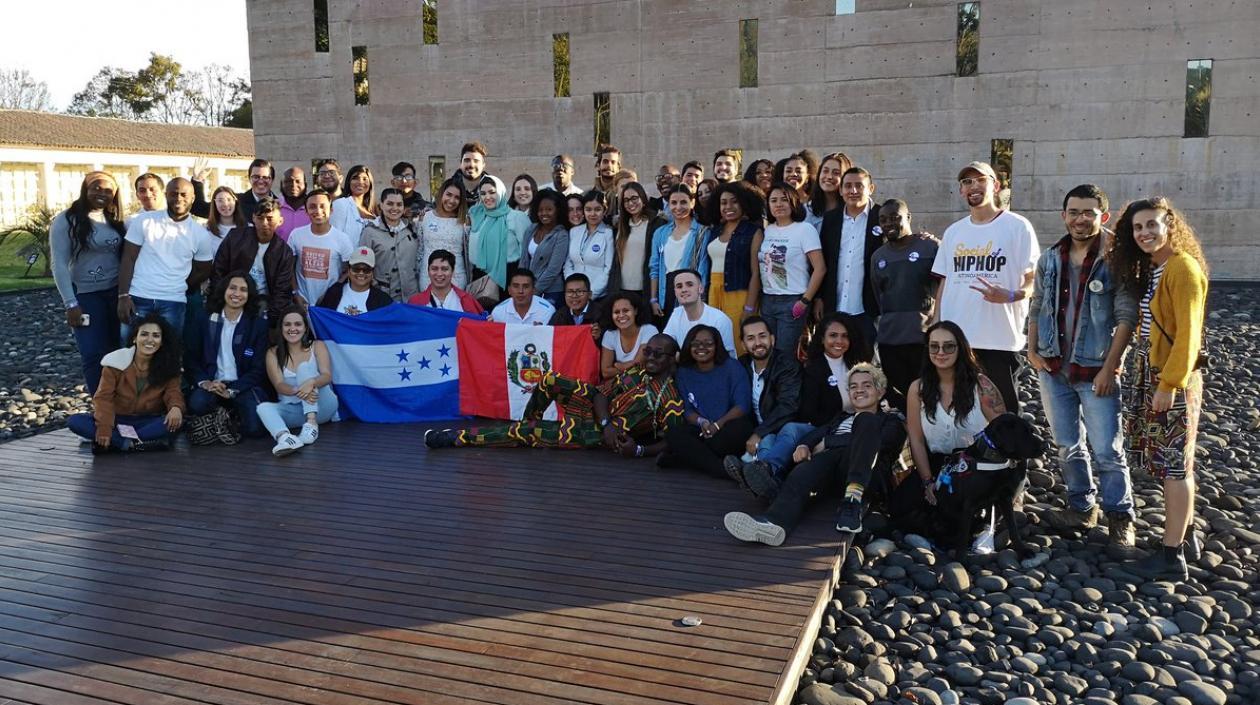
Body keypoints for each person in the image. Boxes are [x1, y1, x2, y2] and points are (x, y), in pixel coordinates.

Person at [1028, 185, 1137, 548]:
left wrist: (1112, 365)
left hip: (1095, 369)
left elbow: (1126, 315)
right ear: (1064, 216)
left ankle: (1120, 517)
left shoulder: (1116, 258)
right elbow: (1037, 304)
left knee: (1107, 448)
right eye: (1073, 212)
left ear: (1103, 216)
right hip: (1053, 366)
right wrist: (1032, 350)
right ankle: (1081, 506)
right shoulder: (1050, 258)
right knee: (1067, 445)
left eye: (1088, 212)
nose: (1080, 219)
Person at [1110, 197, 1209, 580]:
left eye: (1152, 224)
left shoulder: (1182, 268)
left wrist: (1169, 384)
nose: (1144, 233)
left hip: (1172, 378)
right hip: (1156, 373)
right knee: (1174, 462)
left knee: (1173, 467)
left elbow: (1189, 334)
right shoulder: (1157, 267)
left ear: (1170, 225)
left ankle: (1171, 557)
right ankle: (1184, 538)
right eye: (1137, 227)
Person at [724, 363, 907, 545]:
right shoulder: (841, 417)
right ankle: (773, 523)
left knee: (864, 421)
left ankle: (852, 499)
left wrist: (828, 442)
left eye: (866, 385)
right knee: (807, 468)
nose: (859, 390)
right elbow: (817, 434)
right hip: (831, 470)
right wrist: (804, 445)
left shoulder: (891, 420)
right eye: (853, 386)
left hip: (866, 476)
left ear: (880, 392)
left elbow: (884, 443)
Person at [424, 334, 683, 455]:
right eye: (648, 351)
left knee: (526, 433)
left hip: (592, 435)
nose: (649, 357)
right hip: (598, 414)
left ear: (672, 358)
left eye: (657, 354)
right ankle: (525, 427)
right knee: (548, 380)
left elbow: (674, 441)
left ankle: (455, 438)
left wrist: (638, 450)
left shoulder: (670, 400)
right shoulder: (639, 371)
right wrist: (606, 423)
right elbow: (602, 394)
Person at [931, 161, 1039, 413]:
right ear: (961, 191)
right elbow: (945, 281)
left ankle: (1011, 452)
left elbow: (1034, 279)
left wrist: (1013, 295)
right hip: (956, 339)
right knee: (960, 407)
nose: (973, 186)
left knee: (1003, 411)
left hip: (997, 339)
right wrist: (936, 326)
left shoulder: (1017, 226)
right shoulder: (954, 232)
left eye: (981, 180)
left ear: (996, 185)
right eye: (967, 182)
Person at [906, 321, 1009, 520]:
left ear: (960, 348)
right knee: (904, 508)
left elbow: (1004, 435)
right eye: (934, 346)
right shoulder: (917, 389)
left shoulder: (981, 385)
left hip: (978, 466)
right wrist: (928, 482)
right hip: (939, 465)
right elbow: (916, 440)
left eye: (949, 346)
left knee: (966, 515)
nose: (941, 352)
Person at [51, 171, 126, 393]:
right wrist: (70, 304)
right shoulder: (66, 220)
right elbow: (59, 264)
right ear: (85, 189)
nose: (101, 193)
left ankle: (121, 404)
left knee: (117, 351)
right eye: (96, 188)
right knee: (93, 353)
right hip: (85, 295)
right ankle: (100, 404)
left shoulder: (115, 219)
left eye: (108, 190)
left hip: (115, 294)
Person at [67, 312, 184, 453]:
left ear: (162, 341)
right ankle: (131, 444)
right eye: (144, 334)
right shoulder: (115, 362)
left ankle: (118, 443)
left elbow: (173, 392)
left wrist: (176, 407)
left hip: (147, 421)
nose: (149, 340)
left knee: (175, 422)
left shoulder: (169, 365)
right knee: (75, 421)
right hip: (117, 420)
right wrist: (104, 428)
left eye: (156, 336)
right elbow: (104, 398)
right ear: (135, 338)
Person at [117, 177, 214, 340]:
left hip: (173, 301)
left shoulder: (200, 234)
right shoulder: (144, 221)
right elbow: (128, 258)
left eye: (184, 194)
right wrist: (123, 296)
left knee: (169, 352)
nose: (179, 198)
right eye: (174, 194)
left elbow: (203, 269)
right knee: (128, 351)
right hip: (138, 297)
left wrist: (179, 283)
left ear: (192, 198)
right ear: (166, 195)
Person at [658, 325, 753, 478]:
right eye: (695, 344)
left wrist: (717, 425)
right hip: (703, 429)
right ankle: (722, 470)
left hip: (728, 426)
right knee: (674, 434)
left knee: (739, 431)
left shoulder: (732, 366)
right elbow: (688, 410)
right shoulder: (684, 371)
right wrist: (703, 423)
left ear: (717, 346)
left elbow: (742, 406)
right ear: (689, 346)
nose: (701, 347)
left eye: (708, 343)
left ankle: (686, 458)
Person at [721, 317, 802, 493]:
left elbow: (788, 406)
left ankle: (754, 473)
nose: (758, 343)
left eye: (762, 336)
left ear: (772, 339)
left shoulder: (787, 365)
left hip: (782, 428)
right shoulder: (740, 366)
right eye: (750, 338)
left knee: (770, 440)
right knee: (758, 440)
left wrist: (759, 433)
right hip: (757, 431)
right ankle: (759, 478)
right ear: (742, 344)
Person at [870, 198, 939, 404]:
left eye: (894, 217)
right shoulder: (878, 256)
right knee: (900, 396)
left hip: (923, 337)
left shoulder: (930, 247)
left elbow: (947, 287)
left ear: (908, 217)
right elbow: (878, 296)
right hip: (890, 339)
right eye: (883, 220)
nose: (888, 223)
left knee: (928, 392)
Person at [187, 273, 271, 438]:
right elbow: (190, 358)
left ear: (249, 295)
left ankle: (229, 414)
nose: (237, 294)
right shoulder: (204, 318)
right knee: (197, 404)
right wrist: (205, 383)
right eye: (232, 288)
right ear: (224, 290)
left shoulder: (258, 325)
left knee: (255, 429)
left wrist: (233, 389)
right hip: (212, 384)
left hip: (241, 386)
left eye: (243, 290)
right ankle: (225, 414)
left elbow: (258, 369)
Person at [256, 307, 338, 456]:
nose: (292, 328)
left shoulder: (317, 346)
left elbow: (327, 376)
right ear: (281, 328)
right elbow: (279, 385)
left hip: (323, 406)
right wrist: (300, 390)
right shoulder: (273, 353)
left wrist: (311, 383)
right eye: (287, 324)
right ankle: (286, 439)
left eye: (298, 324)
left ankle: (311, 423)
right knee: (263, 408)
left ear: (305, 328)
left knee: (304, 368)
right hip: (295, 409)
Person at [758, 182, 825, 356]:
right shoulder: (768, 230)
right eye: (773, 200)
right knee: (768, 353)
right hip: (767, 300)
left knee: (786, 355)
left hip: (793, 300)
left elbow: (820, 268)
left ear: (793, 202)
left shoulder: (804, 229)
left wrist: (805, 300)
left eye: (784, 200)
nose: (778, 204)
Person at [818, 166, 881, 343]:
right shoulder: (831, 219)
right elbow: (824, 260)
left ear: (871, 189)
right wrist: (819, 298)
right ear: (840, 189)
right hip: (834, 307)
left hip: (869, 309)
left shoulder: (882, 217)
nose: (853, 191)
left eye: (859, 186)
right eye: (847, 186)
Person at [211, 195, 296, 322]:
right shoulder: (235, 238)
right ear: (253, 218)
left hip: (263, 302)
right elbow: (218, 271)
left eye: (270, 219)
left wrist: (272, 322)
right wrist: (219, 303)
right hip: (232, 295)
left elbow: (282, 292)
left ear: (280, 221)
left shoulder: (284, 252)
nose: (264, 223)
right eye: (260, 218)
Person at [704, 180, 764, 353]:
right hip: (713, 292)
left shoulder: (753, 231)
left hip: (739, 294)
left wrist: (749, 308)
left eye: (734, 201)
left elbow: (755, 274)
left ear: (744, 203)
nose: (728, 206)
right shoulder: (715, 230)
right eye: (723, 202)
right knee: (716, 342)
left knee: (738, 344)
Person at [288, 189, 356, 309]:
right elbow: (289, 268)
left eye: (322, 206)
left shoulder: (342, 239)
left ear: (331, 209)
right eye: (312, 207)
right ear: (306, 211)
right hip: (302, 302)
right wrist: (296, 293)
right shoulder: (296, 235)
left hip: (330, 304)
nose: (318, 211)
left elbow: (349, 271)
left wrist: (331, 293)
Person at [648, 184, 708, 317]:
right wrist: (653, 299)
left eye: (683, 202)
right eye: (673, 203)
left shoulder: (702, 232)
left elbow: (702, 269)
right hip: (667, 293)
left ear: (692, 203)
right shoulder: (660, 233)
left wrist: (700, 298)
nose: (678, 207)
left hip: (690, 292)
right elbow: (654, 268)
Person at [468, 175, 529, 303]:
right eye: (483, 193)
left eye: (492, 192)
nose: (487, 197)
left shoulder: (517, 217)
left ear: (501, 192)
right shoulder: (477, 216)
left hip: (508, 275)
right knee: (483, 317)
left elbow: (526, 251)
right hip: (481, 275)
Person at [359, 187, 420, 302]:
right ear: (381, 205)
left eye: (399, 204)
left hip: (412, 296)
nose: (395, 208)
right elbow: (363, 265)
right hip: (382, 297)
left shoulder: (412, 229)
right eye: (390, 204)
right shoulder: (370, 232)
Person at [610, 182, 667, 301]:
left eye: (634, 198)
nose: (630, 203)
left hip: (645, 289)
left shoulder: (656, 223)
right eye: (626, 200)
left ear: (643, 198)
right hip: (621, 289)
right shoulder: (621, 225)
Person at [662, 269, 736, 357]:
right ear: (675, 292)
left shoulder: (719, 320)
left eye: (689, 285)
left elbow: (726, 357)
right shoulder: (677, 314)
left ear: (700, 289)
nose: (684, 289)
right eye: (679, 286)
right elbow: (664, 343)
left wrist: (680, 357)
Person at [518, 189, 570, 306]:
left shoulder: (561, 235)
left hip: (551, 292)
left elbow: (553, 269)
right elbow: (523, 261)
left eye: (549, 209)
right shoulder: (531, 229)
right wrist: (521, 286)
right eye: (540, 210)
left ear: (557, 211)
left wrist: (534, 290)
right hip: (527, 290)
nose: (544, 213)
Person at [418, 178, 470, 291]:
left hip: (456, 277)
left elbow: (468, 252)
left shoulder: (465, 220)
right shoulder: (425, 217)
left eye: (457, 197)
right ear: (441, 194)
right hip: (428, 276)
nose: (451, 200)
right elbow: (420, 249)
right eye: (449, 194)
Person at [564, 190, 615, 300]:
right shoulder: (574, 231)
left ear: (604, 211)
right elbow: (568, 263)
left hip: (597, 296)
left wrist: (590, 294)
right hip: (574, 296)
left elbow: (608, 269)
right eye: (588, 209)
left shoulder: (608, 233)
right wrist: (573, 289)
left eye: (597, 209)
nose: (592, 214)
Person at [599, 292, 659, 380]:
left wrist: (616, 365)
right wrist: (626, 368)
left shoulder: (649, 330)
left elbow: (637, 366)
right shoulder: (609, 334)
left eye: (626, 310)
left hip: (647, 382)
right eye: (616, 312)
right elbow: (605, 372)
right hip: (622, 384)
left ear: (635, 311)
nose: (621, 315)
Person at [192, 158, 276, 220]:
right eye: (256, 177)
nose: (261, 181)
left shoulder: (281, 205)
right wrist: (197, 181)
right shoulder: (235, 202)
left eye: (265, 177)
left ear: (272, 180)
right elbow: (199, 209)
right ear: (249, 178)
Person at [317, 246, 392, 315]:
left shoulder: (383, 300)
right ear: (349, 270)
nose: (361, 273)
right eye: (356, 269)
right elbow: (322, 317)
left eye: (366, 270)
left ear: (372, 272)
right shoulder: (333, 292)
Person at [408, 249, 485, 314]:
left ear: (453, 271)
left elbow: (479, 327)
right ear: (428, 271)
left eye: (444, 269)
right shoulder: (415, 303)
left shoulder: (467, 301)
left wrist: (488, 321)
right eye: (434, 269)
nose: (439, 274)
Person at [490, 268, 555, 325]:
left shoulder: (548, 311)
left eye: (526, 286)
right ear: (509, 290)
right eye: (516, 286)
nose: (520, 291)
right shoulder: (498, 312)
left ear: (533, 290)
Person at [550, 273, 603, 340]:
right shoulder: (559, 315)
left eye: (579, 291)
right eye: (570, 292)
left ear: (590, 294)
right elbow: (550, 338)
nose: (574, 296)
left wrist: (599, 336)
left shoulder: (601, 313)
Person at [331, 164, 377, 242]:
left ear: (370, 183)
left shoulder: (375, 210)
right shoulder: (340, 204)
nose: (360, 182)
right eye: (355, 178)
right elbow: (334, 237)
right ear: (349, 182)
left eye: (365, 179)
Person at [806, 152, 853, 228]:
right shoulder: (807, 210)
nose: (829, 177)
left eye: (836, 173)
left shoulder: (851, 211)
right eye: (825, 171)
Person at [276, 167, 310, 242]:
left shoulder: (313, 209)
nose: (293, 185)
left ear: (305, 184)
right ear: (282, 184)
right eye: (288, 181)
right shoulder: (274, 208)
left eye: (298, 181)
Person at [458, 141, 489, 206]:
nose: (471, 165)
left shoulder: (494, 191)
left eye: (476, 161)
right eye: (467, 160)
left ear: (483, 165)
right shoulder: (448, 191)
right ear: (460, 164)